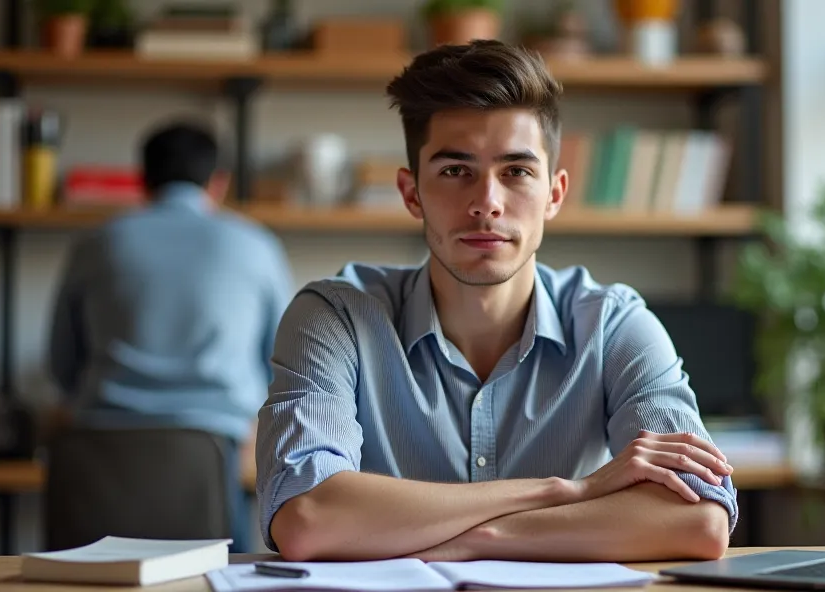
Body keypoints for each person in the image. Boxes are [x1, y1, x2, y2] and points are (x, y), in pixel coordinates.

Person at [256, 40, 738, 563]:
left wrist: (480, 540)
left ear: (554, 193)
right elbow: (306, 519)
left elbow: (698, 519)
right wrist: (565, 492)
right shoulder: (335, 318)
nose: (487, 202)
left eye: (516, 171)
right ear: (411, 192)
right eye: (455, 171)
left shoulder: (614, 323)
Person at [47, 121, 294, 553]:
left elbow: (62, 362)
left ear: (142, 180)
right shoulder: (255, 245)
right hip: (212, 455)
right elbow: (285, 361)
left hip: (97, 456)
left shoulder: (96, 243)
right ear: (219, 183)